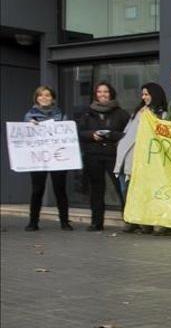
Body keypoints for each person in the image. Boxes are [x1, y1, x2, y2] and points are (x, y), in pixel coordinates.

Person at [76, 82, 130, 231]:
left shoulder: (121, 113)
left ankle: (129, 220)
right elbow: (79, 132)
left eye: (105, 92)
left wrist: (111, 135)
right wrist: (92, 135)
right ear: (95, 95)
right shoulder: (87, 112)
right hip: (93, 155)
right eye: (99, 92)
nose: (103, 94)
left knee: (122, 188)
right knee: (96, 190)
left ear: (111, 93)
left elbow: (129, 133)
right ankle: (96, 223)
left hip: (114, 155)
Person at [115, 82, 167, 234]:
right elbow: (127, 132)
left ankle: (145, 221)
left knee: (141, 191)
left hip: (141, 158)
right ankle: (131, 220)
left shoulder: (161, 113)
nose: (143, 97)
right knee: (126, 191)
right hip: (125, 156)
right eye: (142, 94)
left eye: (146, 94)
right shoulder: (138, 111)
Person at [22, 86, 72, 231]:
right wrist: (29, 127)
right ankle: (33, 222)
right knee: (37, 190)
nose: (44, 98)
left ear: (53, 98)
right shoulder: (29, 116)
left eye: (47, 95)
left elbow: (67, 135)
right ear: (36, 98)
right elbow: (24, 137)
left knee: (60, 189)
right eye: (41, 95)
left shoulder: (61, 114)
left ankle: (64, 222)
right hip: (38, 159)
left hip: (57, 157)